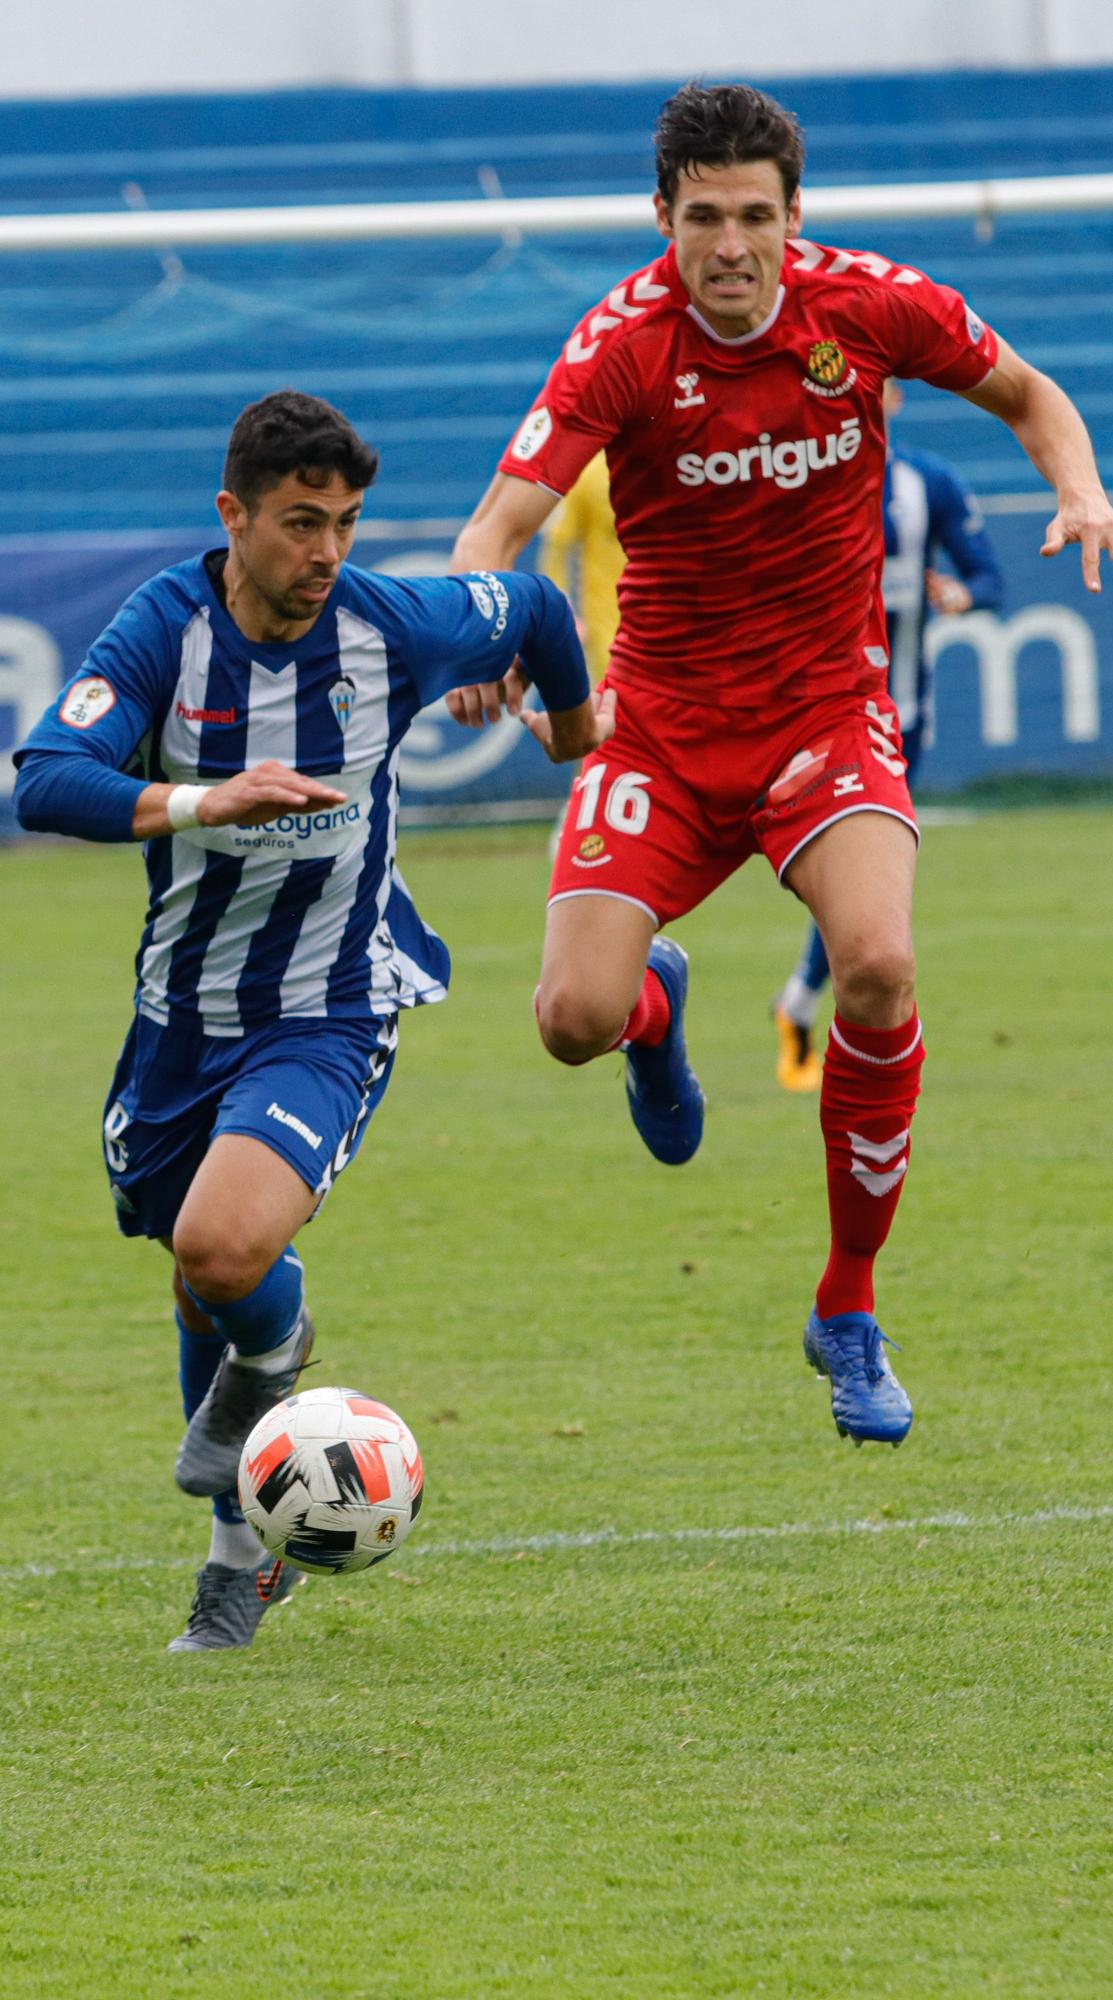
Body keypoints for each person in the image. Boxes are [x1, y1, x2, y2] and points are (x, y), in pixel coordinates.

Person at [446, 81, 1113, 1450]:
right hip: (663, 732)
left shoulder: (866, 306)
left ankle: (849, 1308)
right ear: (663, 220)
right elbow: (490, 534)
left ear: (795, 217)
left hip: (824, 714)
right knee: (570, 1019)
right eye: (704, 219)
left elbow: (1031, 393)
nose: (732, 246)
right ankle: (653, 1010)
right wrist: (482, 640)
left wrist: (1078, 486)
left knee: (876, 963)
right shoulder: (617, 348)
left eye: (757, 216)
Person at [14, 389, 608, 1651]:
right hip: (180, 1015)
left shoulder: (389, 622)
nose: (326, 550)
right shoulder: (163, 629)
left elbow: (545, 610)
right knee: (197, 1271)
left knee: (222, 1249)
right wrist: (202, 800)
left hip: (334, 1003)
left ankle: (238, 1554)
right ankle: (252, 1448)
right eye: (298, 522)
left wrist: (573, 730)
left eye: (343, 522)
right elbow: (47, 780)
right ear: (233, 517)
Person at [773, 377, 1005, 1091]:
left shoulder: (925, 483)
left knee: (863, 889)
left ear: (895, 401)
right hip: (809, 715)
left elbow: (989, 579)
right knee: (844, 884)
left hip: (899, 721)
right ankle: (807, 1009)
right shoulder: (791, 477)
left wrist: (960, 596)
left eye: (877, 391)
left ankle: (804, 1009)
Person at [539, 450, 625, 679]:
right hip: (609, 625)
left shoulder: (676, 467)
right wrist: (563, 612)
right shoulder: (589, 474)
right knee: (616, 702)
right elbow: (557, 545)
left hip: (672, 621)